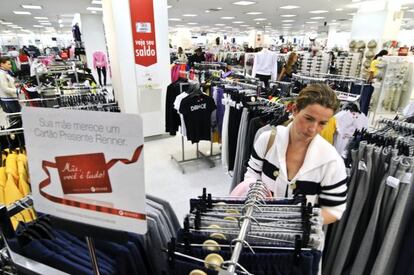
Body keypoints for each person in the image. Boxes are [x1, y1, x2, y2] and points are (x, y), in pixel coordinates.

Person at [244, 84, 347, 225]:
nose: (313, 129)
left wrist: (297, 222)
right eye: (309, 118)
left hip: (299, 240)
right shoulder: (268, 140)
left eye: (323, 123)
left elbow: (334, 210)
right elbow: (252, 175)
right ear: (295, 110)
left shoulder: (331, 161)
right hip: (257, 227)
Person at [0, 57, 21, 127]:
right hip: (8, 100)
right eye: (8, 64)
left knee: (18, 119)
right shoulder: (1, 74)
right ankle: (18, 137)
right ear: (2, 64)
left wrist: (15, 85)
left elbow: (8, 83)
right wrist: (17, 90)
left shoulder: (5, 72)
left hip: (11, 99)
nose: (11, 66)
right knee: (16, 121)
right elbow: (5, 89)